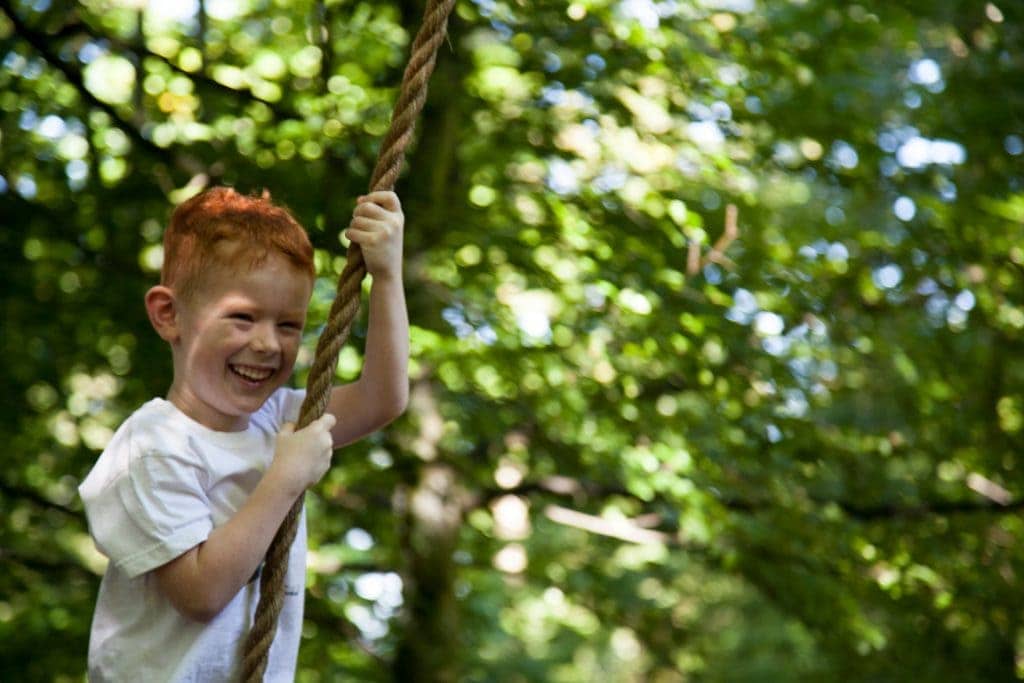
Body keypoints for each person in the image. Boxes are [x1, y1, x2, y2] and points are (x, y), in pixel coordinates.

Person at [78, 186, 409, 681]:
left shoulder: (276, 418)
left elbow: (382, 398)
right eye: (242, 317)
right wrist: (284, 479)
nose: (266, 343)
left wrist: (385, 276)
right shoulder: (151, 447)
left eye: (289, 325)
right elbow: (201, 594)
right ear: (169, 315)